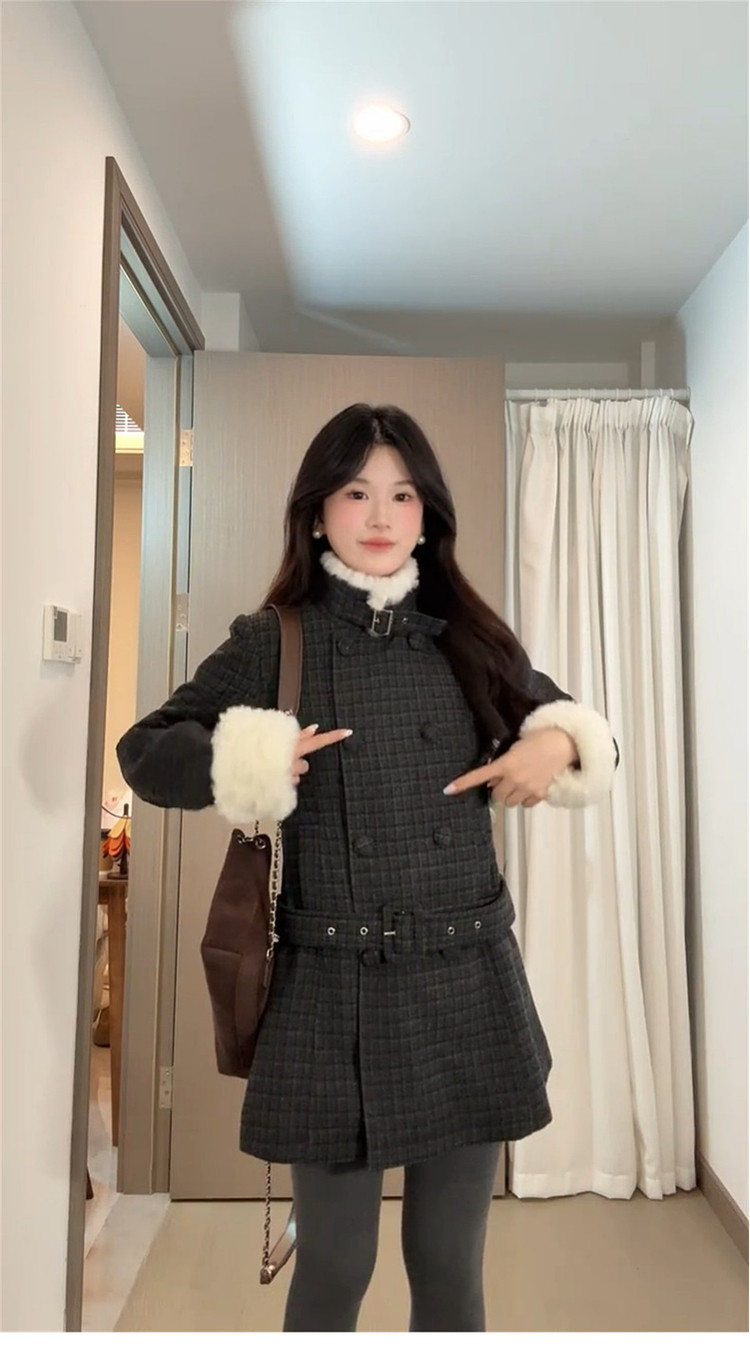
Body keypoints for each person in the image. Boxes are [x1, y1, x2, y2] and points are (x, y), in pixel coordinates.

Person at [117, 403, 620, 1332]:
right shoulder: (276, 638)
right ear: (318, 513)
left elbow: (588, 732)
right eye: (356, 493)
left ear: (428, 514)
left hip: (466, 980)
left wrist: (557, 743)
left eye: (402, 494)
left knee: (449, 1266)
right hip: (330, 990)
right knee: (335, 1267)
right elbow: (144, 751)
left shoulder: (470, 636)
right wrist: (254, 754)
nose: (381, 515)